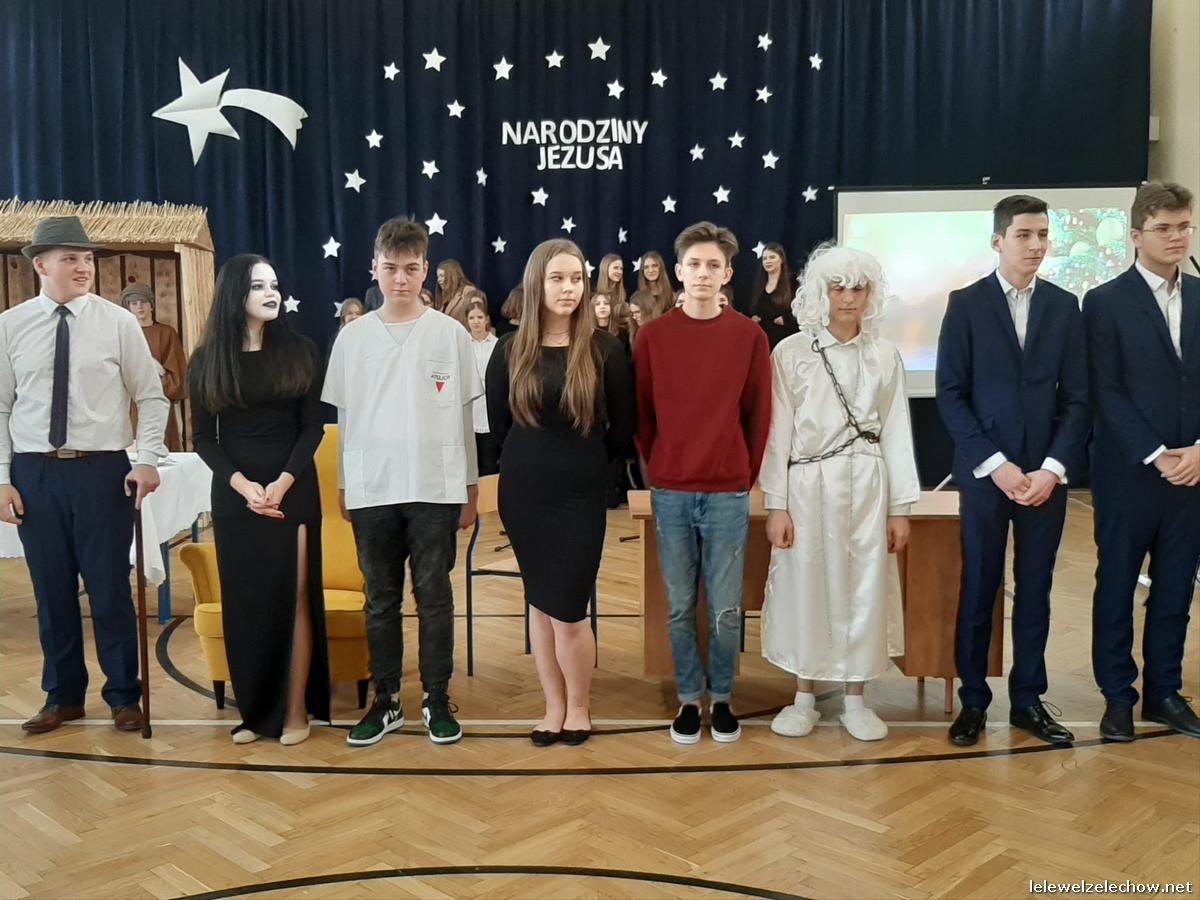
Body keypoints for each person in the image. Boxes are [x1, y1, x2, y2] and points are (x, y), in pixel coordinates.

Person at [0, 216, 167, 735]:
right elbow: (0, 407)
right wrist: (2, 478)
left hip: (102, 471)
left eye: (88, 258)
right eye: (70, 258)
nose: (83, 267)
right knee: (51, 592)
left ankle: (123, 695)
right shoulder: (10, 326)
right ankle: (63, 695)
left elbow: (152, 396)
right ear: (40, 265)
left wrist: (148, 458)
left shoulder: (117, 323)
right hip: (34, 473)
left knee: (109, 588)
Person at [935, 194, 1089, 747]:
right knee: (979, 586)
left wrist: (1051, 468)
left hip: (1045, 479)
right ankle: (973, 701)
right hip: (986, 476)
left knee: (1037, 589)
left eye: (1043, 234)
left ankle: (1027, 700)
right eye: (1024, 234)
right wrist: (997, 465)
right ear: (998, 241)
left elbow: (1079, 398)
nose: (1036, 245)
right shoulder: (966, 304)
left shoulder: (1064, 306)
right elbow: (951, 394)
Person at [323, 217, 480, 747]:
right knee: (380, 599)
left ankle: (436, 698)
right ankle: (386, 699)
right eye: (390, 268)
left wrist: (471, 486)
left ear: (425, 270)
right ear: (374, 268)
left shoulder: (450, 335)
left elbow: (465, 418)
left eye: (411, 269)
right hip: (373, 487)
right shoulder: (353, 338)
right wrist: (346, 482)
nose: (400, 279)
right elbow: (345, 418)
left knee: (434, 597)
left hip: (436, 487)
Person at [760, 246, 919, 741]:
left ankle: (855, 699)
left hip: (869, 487)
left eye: (858, 287)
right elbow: (778, 432)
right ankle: (804, 697)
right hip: (807, 487)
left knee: (864, 588)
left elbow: (896, 431)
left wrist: (899, 508)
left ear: (871, 294)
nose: (848, 297)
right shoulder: (791, 354)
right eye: (838, 287)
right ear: (820, 291)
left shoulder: (884, 355)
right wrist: (776, 504)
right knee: (805, 585)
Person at [486, 239, 635, 746]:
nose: (569, 288)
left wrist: (585, 467)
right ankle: (553, 706)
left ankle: (579, 706)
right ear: (537, 284)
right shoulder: (509, 350)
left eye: (576, 279)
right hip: (525, 494)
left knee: (569, 610)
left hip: (581, 496)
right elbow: (500, 426)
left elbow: (622, 430)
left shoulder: (605, 349)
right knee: (540, 605)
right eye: (558, 278)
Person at [634, 221, 772, 745]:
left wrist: (742, 472)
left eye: (714, 265)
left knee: (725, 608)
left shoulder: (749, 337)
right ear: (678, 271)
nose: (703, 274)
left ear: (728, 274)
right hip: (671, 490)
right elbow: (643, 415)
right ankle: (690, 698)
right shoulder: (653, 337)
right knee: (677, 606)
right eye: (694, 264)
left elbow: (758, 414)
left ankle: (724, 697)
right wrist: (663, 466)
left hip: (727, 492)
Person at [189, 254, 329, 745]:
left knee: (294, 597)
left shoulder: (302, 350)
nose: (271, 293)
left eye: (274, 285)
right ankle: (255, 714)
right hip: (236, 495)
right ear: (234, 294)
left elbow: (313, 428)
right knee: (247, 602)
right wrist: (243, 486)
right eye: (258, 286)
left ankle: (295, 711)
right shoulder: (207, 359)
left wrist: (282, 483)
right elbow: (203, 439)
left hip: (293, 489)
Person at [1084, 181, 1200, 741]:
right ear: (1135, 235)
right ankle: (1117, 697)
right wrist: (1157, 455)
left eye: (1184, 227)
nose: (1176, 237)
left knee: (1176, 587)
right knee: (1117, 584)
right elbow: (1105, 390)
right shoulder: (1104, 301)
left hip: (1194, 471)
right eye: (1164, 228)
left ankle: (1164, 693)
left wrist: (1198, 451)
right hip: (1129, 471)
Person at [120, 282, 189, 452]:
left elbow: (178, 381)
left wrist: (152, 379)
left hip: (159, 406)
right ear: (127, 307)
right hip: (127, 410)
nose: (139, 307)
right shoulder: (120, 335)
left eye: (143, 302)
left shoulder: (166, 334)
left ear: (151, 305)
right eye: (134, 303)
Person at [465, 299, 501, 476]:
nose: (476, 321)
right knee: (470, 462)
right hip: (468, 409)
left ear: (486, 319)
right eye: (472, 318)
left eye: (480, 317)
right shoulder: (462, 344)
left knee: (489, 462)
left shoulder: (497, 344)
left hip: (489, 409)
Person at [747, 243, 798, 350]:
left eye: (772, 257)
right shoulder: (759, 283)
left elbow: (801, 309)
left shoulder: (793, 283)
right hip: (763, 340)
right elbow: (754, 308)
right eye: (764, 258)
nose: (767, 261)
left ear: (781, 259)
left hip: (784, 340)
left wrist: (787, 319)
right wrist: (753, 317)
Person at [632, 250, 672, 320]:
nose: (650, 270)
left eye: (654, 266)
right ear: (642, 271)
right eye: (646, 267)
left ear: (660, 268)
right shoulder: (637, 297)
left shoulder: (671, 296)